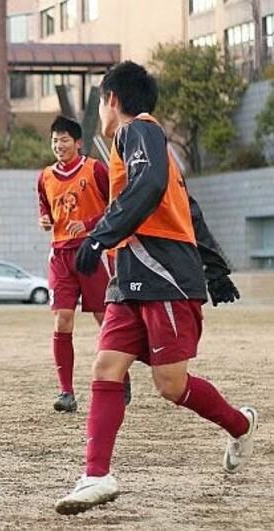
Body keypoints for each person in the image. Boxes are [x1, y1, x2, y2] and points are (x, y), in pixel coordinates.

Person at [55, 61, 256, 515]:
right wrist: (216, 267)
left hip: (162, 275)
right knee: (106, 367)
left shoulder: (136, 131)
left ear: (111, 100)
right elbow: (186, 204)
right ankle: (96, 476)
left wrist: (100, 235)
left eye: (101, 102)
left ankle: (240, 424)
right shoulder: (147, 146)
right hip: (131, 278)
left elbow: (150, 187)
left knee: (170, 385)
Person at [38, 116, 130, 412]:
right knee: (62, 319)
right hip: (60, 256)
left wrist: (89, 224)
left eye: (64, 140)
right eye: (54, 140)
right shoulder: (45, 177)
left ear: (78, 143)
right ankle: (66, 392)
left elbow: (116, 205)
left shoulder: (96, 169)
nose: (59, 145)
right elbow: (46, 208)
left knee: (105, 319)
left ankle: (122, 375)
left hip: (92, 252)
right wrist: (44, 219)